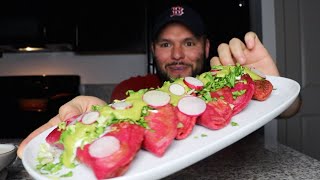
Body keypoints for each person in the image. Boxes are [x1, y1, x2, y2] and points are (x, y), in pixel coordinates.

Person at [17, 5, 301, 158]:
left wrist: (272, 85)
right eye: (166, 44)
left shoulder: (225, 84)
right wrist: (99, 116)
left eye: (188, 42)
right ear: (154, 50)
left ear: (205, 47)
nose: (177, 54)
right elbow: (121, 115)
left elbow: (291, 109)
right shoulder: (131, 88)